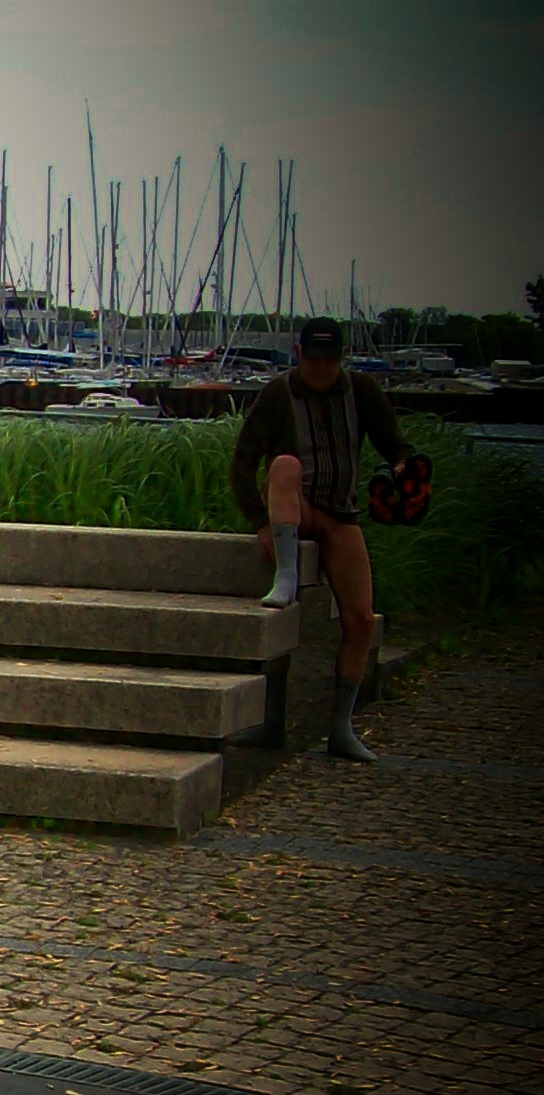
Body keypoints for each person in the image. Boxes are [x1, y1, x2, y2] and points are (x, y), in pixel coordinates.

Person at [230, 314, 411, 762]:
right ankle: (286, 574)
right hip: (295, 506)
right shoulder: (278, 394)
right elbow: (242, 462)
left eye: (329, 361)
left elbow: (394, 442)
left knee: (362, 619)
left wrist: (404, 465)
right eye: (313, 360)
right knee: (284, 466)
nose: (321, 369)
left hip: (339, 512)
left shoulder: (361, 391)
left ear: (341, 358)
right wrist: (261, 522)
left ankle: (341, 727)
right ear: (299, 355)